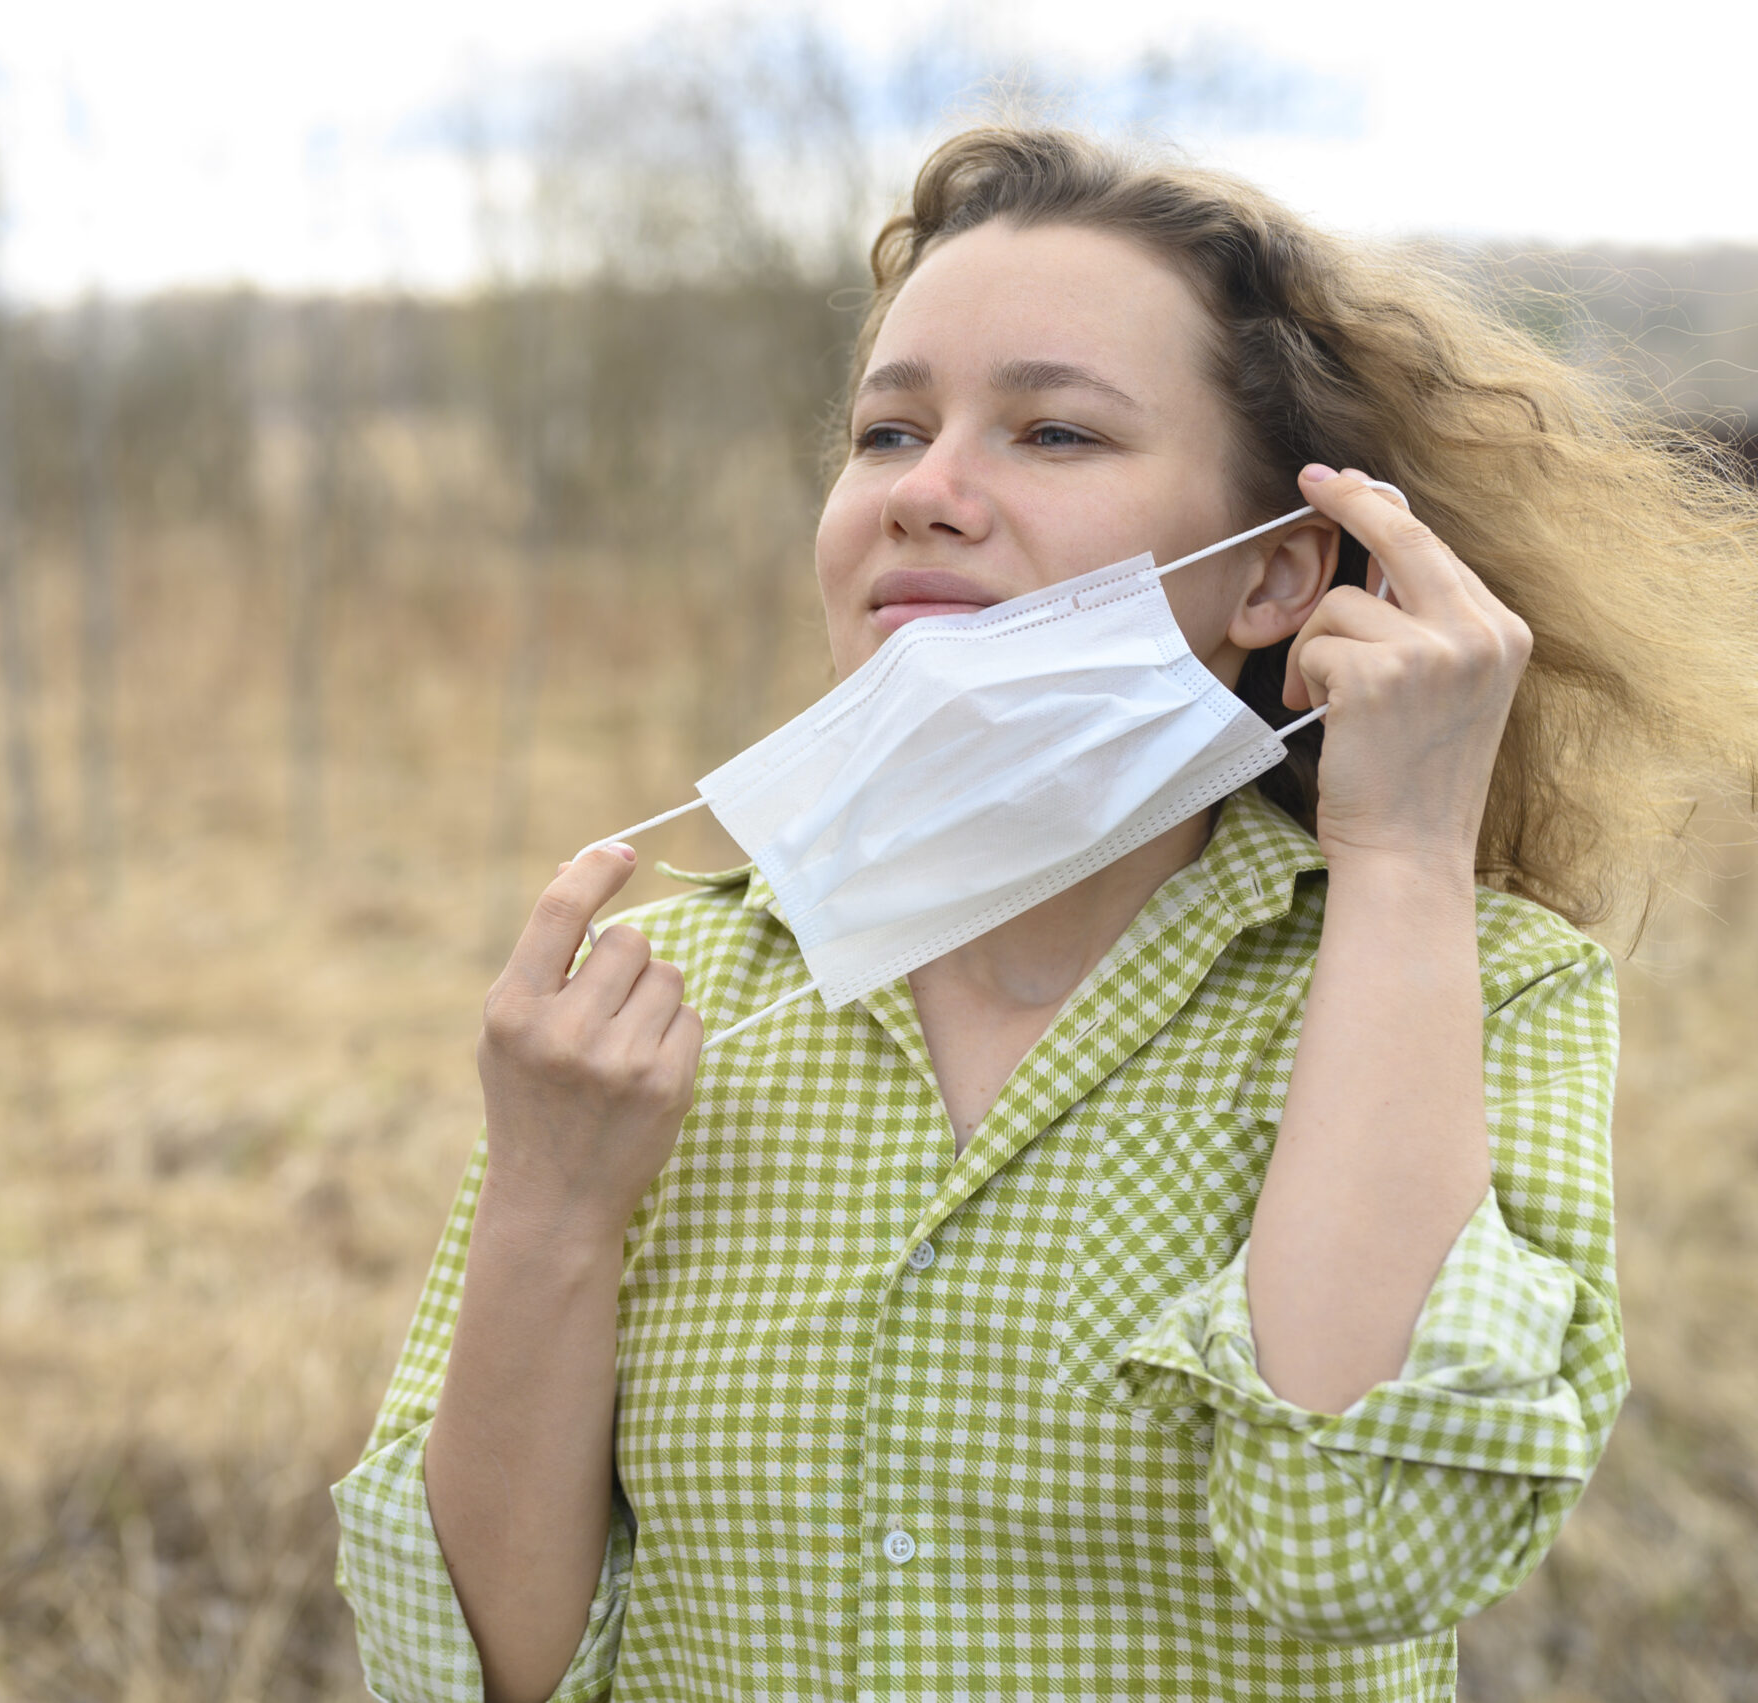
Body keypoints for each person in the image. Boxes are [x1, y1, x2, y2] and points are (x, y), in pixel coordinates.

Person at [331, 126, 1758, 1702]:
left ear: (1276, 576)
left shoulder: (1478, 987)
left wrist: (1407, 856)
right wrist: (550, 1200)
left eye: (1054, 434)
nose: (929, 492)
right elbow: (470, 1671)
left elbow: (1362, 1548)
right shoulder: (645, 1019)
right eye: (886, 433)